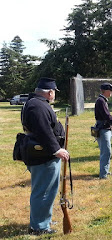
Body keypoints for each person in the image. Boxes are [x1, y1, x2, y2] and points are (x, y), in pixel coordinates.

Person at [21, 77, 69, 235]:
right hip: (44, 156)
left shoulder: (36, 103)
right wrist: (56, 150)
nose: (54, 94)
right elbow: (44, 131)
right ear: (50, 92)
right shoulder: (38, 106)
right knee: (44, 192)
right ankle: (40, 227)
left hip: (42, 154)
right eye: (54, 92)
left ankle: (42, 221)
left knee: (43, 190)